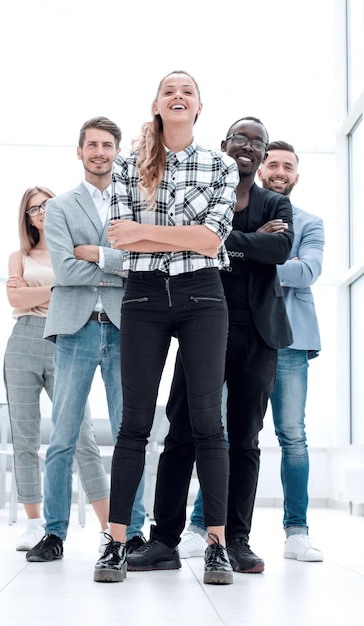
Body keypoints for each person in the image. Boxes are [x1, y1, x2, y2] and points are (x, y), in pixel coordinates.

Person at [93, 70, 239, 585]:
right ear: (156, 104)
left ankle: (217, 546)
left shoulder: (220, 164)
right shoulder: (130, 164)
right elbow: (121, 240)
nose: (178, 96)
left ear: (199, 106)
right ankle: (114, 544)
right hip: (144, 297)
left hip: (203, 296)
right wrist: (174, 237)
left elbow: (210, 241)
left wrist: (145, 232)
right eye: (168, 90)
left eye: (188, 91)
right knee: (134, 424)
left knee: (206, 423)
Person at [141, 117, 294, 575]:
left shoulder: (275, 202)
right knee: (181, 434)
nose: (248, 146)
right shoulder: (203, 196)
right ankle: (164, 540)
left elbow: (278, 252)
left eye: (257, 142)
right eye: (240, 139)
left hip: (258, 335)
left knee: (244, 440)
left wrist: (218, 240)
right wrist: (244, 241)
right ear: (225, 145)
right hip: (201, 326)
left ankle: (236, 542)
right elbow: (192, 242)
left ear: (263, 156)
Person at [26, 116, 146, 563]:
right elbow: (66, 270)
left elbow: (143, 265)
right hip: (74, 329)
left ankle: (132, 531)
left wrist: (94, 254)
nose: (99, 151)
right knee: (63, 437)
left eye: (107, 144)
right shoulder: (58, 208)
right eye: (91, 144)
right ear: (79, 152)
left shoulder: (135, 202)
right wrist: (117, 262)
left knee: (128, 433)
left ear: (117, 151)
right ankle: (54, 532)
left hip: (124, 328)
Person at [3, 186, 106, 551]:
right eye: (33, 209)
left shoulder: (69, 248)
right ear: (27, 218)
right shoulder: (20, 255)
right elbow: (15, 299)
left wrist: (42, 288)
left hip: (65, 337)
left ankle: (108, 526)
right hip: (24, 341)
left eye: (46, 204)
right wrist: (61, 285)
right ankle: (34, 523)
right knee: (25, 437)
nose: (41, 213)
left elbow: (86, 280)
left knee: (82, 438)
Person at [258, 140, 324, 561]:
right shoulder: (238, 213)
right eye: (273, 164)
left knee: (293, 436)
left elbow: (308, 271)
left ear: (296, 175)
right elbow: (223, 261)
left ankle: (296, 531)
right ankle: (203, 525)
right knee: (224, 435)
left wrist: (253, 256)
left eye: (288, 166)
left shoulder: (310, 222)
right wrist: (278, 260)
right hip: (242, 337)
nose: (280, 171)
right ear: (261, 170)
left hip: (291, 341)